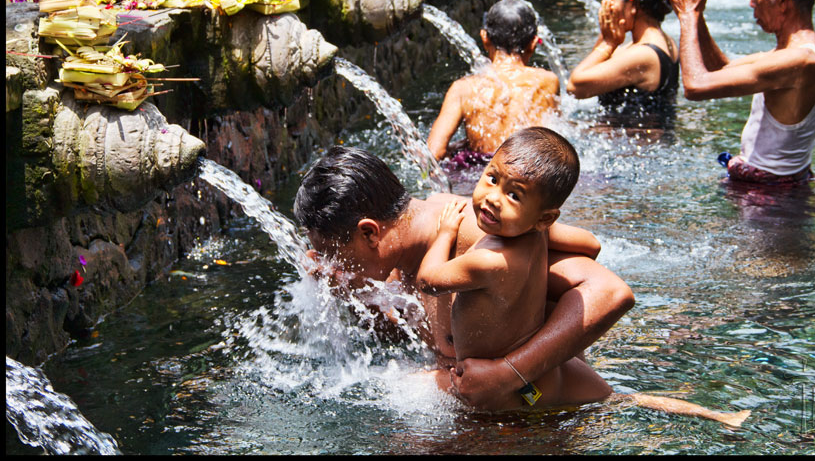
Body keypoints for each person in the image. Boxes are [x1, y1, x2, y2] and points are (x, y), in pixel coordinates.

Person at [294, 145, 749, 425]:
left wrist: (509, 373)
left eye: (330, 249)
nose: (330, 263)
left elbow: (610, 292)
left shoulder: (479, 235)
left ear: (371, 232)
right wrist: (345, 290)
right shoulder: (409, 248)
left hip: (538, 402)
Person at [416, 127, 750, 426]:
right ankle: (720, 416)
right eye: (492, 178)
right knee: (619, 400)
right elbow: (591, 243)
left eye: (514, 195)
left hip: (514, 387)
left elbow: (427, 280)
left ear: (545, 217)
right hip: (548, 369)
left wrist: (445, 233)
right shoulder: (539, 233)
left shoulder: (488, 261)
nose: (493, 198)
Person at [662, 0, 815, 184]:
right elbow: (720, 70)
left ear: (783, 0)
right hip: (779, 191)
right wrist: (698, 16)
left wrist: (687, 16)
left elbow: (695, 86)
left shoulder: (800, 61)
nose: (751, 2)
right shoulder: (809, 49)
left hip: (769, 201)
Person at [427, 0, 560, 167]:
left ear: (484, 37)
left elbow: (433, 153)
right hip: (529, 170)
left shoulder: (463, 88)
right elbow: (553, 140)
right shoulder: (547, 80)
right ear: (533, 43)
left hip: (482, 174)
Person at [567, 0, 679, 126]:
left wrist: (607, 43)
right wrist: (608, 37)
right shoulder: (664, 42)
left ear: (632, 5)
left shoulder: (643, 55)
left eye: (609, 0)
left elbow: (575, 87)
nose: (606, 7)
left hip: (632, 150)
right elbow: (596, 69)